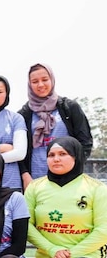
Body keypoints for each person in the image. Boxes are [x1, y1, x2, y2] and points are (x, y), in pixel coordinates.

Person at [25, 137, 107, 258]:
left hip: (85, 255)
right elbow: (26, 226)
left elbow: (103, 230)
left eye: (63, 154)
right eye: (51, 155)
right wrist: (53, 250)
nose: (56, 159)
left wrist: (69, 254)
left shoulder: (95, 188)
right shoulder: (35, 187)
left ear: (76, 156)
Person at [19, 63, 92, 191]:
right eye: (35, 81)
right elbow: (19, 150)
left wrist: (74, 170)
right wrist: (25, 175)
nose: (41, 85)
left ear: (52, 80)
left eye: (45, 79)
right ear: (29, 84)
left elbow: (85, 142)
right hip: (34, 182)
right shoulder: (23, 115)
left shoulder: (69, 108)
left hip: (68, 181)